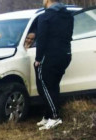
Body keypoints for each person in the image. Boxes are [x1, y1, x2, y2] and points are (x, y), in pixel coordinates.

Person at [34, 0, 73, 130]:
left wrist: (38, 58)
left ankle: (55, 117)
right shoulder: (68, 15)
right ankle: (48, 115)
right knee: (53, 86)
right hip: (65, 54)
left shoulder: (45, 17)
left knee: (43, 86)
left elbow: (41, 39)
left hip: (50, 56)